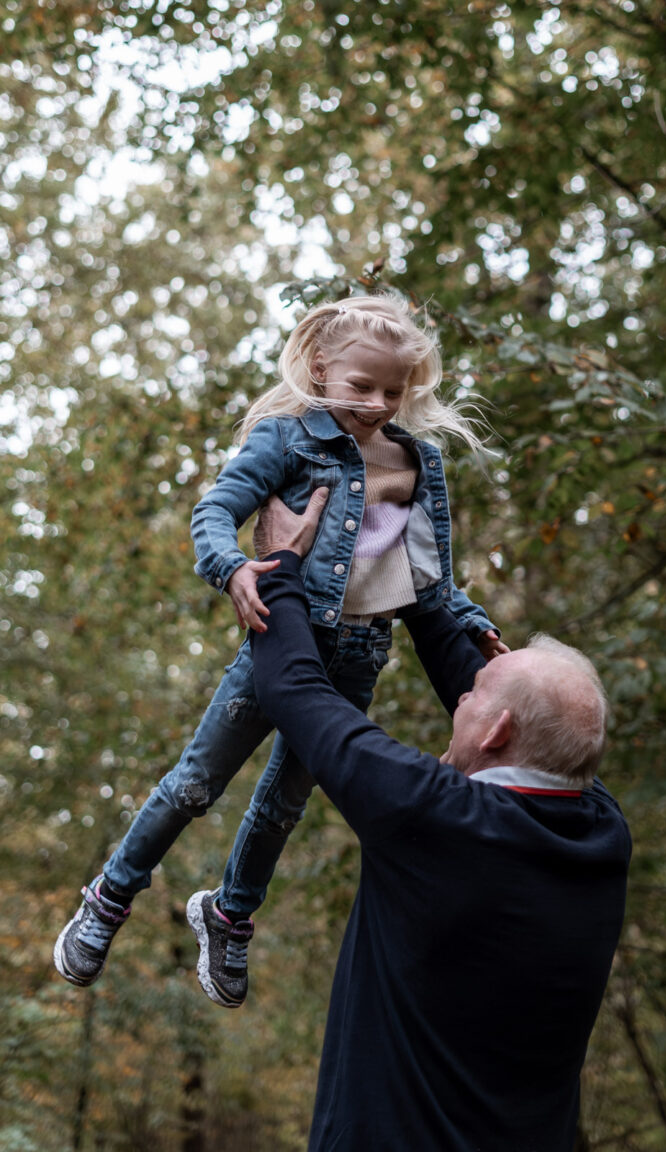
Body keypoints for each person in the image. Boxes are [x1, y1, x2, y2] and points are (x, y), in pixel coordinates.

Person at [54, 293, 506, 1008]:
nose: (380, 403)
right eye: (363, 387)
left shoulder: (420, 464)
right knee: (197, 783)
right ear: (321, 368)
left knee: (284, 805)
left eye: (395, 390)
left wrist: (473, 625)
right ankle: (109, 896)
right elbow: (214, 510)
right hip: (279, 635)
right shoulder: (286, 439)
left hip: (359, 654)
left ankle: (230, 914)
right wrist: (230, 567)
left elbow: (430, 579)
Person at [234, 488, 632, 1152]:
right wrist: (398, 525)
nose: (463, 693)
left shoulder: (437, 816)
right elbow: (514, 715)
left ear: (498, 728)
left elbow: (294, 688)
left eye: (474, 694)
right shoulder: (601, 832)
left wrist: (280, 565)